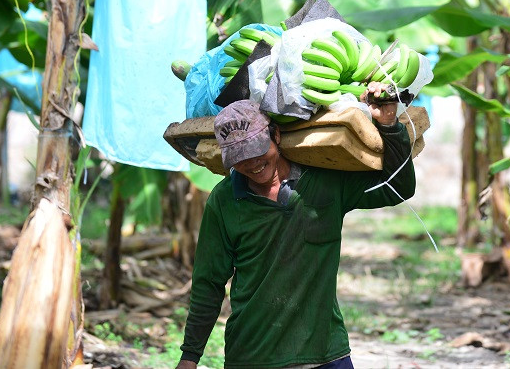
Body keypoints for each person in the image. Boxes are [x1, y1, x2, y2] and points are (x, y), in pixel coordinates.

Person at [176, 82, 416, 368]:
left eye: (256, 149)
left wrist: (389, 125)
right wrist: (190, 357)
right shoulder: (224, 201)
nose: (251, 163)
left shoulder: (325, 181)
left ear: (275, 135)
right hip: (254, 356)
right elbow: (209, 283)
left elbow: (398, 188)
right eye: (239, 158)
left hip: (325, 352)